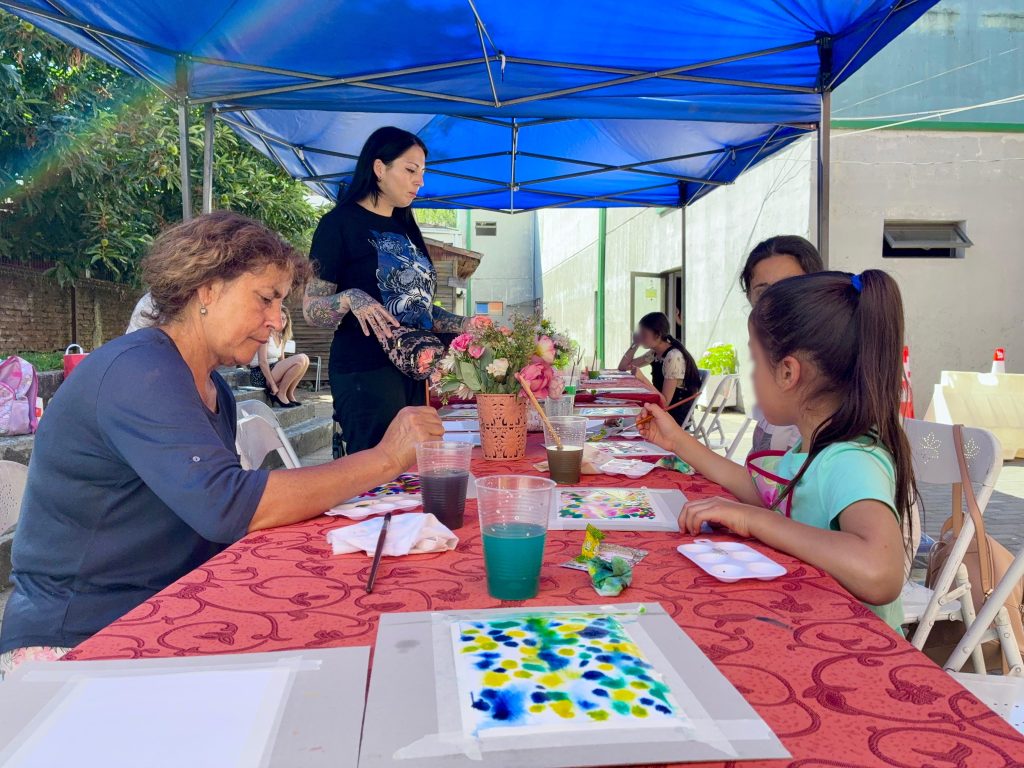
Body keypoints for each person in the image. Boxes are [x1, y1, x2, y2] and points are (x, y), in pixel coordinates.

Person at [0, 211, 443, 675]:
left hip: (165, 607)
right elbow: (227, 505)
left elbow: (224, 507)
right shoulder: (138, 372)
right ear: (207, 289)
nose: (277, 321)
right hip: (78, 636)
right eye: (266, 299)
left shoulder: (213, 389)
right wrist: (385, 459)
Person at [639, 270, 914, 632]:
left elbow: (881, 572)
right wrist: (677, 441)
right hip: (806, 621)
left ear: (787, 373)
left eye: (755, 361)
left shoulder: (851, 459)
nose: (752, 375)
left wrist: (757, 521)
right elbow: (764, 493)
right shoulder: (810, 446)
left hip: (853, 642)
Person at [304, 127, 470, 455]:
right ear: (379, 168)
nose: (420, 181)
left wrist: (466, 325)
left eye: (422, 172)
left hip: (414, 372)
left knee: (413, 466)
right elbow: (311, 310)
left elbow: (418, 310)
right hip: (366, 374)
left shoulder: (406, 228)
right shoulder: (338, 224)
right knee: (376, 469)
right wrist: (350, 298)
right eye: (410, 170)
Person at [739, 235, 824, 453]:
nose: (777, 302)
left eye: (790, 288)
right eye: (763, 292)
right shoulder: (770, 363)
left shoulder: (828, 371)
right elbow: (764, 471)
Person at [617, 312, 701, 425]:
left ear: (657, 335)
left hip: (673, 416)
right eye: (640, 333)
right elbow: (623, 367)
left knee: (625, 420)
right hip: (659, 410)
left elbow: (665, 404)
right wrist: (635, 344)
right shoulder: (654, 353)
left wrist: (643, 379)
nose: (640, 337)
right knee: (621, 414)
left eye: (644, 334)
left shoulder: (673, 357)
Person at [250, 306, 310, 408]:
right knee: (301, 358)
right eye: (279, 318)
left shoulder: (280, 336)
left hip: (274, 369)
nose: (282, 321)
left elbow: (282, 361)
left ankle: (289, 393)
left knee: (305, 360)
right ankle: (281, 394)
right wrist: (273, 385)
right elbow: (262, 362)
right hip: (260, 374)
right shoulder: (265, 334)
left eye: (284, 319)